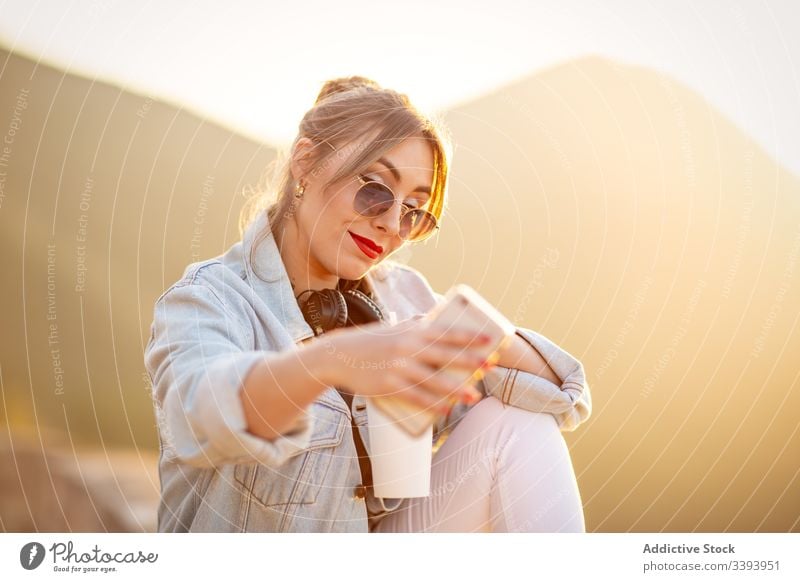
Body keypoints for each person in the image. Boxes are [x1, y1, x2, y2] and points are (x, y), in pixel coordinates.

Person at [144, 76, 592, 533]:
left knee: (515, 425)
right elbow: (201, 416)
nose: (394, 225)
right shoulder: (208, 298)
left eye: (415, 210)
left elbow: (565, 396)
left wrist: (478, 334)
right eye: (375, 187)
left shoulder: (399, 298)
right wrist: (331, 361)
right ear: (306, 162)